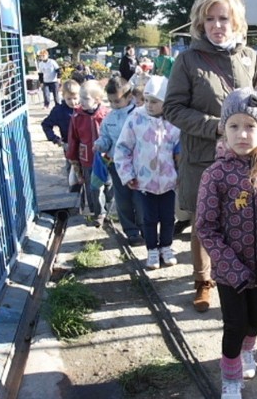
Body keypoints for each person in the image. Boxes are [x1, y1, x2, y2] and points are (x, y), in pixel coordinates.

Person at [164, 0, 257, 313]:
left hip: (245, 157)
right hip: (203, 158)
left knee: (247, 216)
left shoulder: (249, 57)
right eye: (210, 19)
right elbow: (173, 109)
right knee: (203, 223)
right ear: (200, 21)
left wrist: (253, 128)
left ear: (235, 20)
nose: (217, 25)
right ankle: (203, 281)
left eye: (223, 18)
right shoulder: (187, 60)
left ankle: (249, 279)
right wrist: (216, 126)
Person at [195, 88, 257, 399]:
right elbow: (205, 227)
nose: (242, 134)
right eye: (234, 126)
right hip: (230, 271)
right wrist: (231, 267)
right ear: (224, 129)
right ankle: (231, 375)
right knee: (234, 325)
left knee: (254, 321)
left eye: (250, 126)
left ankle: (249, 349)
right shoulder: (215, 175)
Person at [114, 76, 181, 269]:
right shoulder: (136, 118)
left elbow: (179, 151)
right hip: (144, 181)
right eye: (147, 100)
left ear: (165, 103)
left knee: (168, 218)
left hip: (169, 182)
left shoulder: (173, 122)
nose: (149, 105)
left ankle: (166, 247)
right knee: (149, 219)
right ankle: (152, 249)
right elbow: (123, 148)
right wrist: (127, 175)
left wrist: (179, 176)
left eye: (155, 102)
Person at [96, 77, 144, 246]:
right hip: (117, 165)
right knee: (123, 199)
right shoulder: (109, 118)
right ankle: (131, 232)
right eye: (110, 102)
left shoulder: (140, 114)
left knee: (140, 198)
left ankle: (145, 228)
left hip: (139, 165)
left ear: (128, 96)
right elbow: (105, 138)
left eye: (117, 101)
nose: (114, 105)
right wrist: (100, 145)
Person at [67, 80, 111, 226]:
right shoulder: (77, 117)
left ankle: (107, 211)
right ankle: (99, 213)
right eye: (81, 97)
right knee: (94, 187)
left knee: (109, 186)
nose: (81, 101)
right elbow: (73, 138)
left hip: (107, 158)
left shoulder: (106, 115)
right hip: (88, 159)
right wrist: (73, 157)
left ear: (97, 99)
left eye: (86, 98)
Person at [41, 79, 77, 148]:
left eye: (75, 98)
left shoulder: (84, 109)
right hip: (68, 145)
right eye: (69, 99)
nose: (72, 102)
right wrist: (55, 139)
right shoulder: (59, 111)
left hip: (85, 145)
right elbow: (46, 124)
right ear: (63, 96)